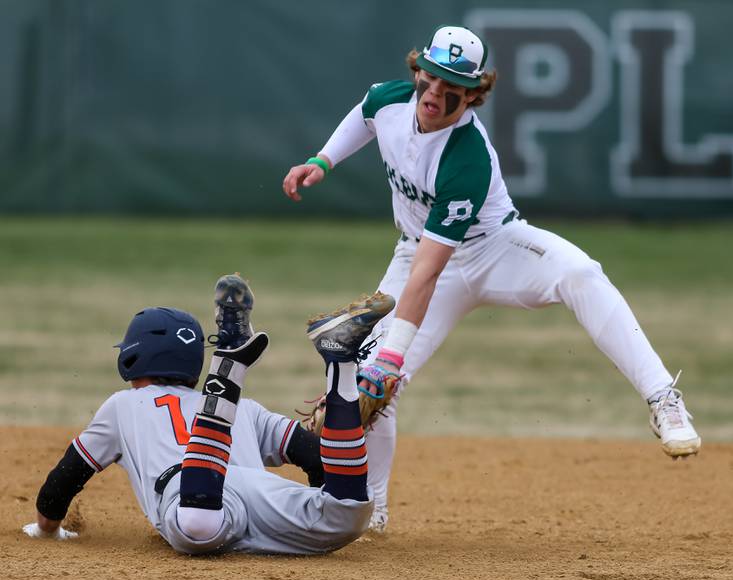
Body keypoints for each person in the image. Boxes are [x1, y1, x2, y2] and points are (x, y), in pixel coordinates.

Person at [282, 25, 701, 533]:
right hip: (415, 253)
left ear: (473, 95)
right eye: (429, 79)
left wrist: (391, 355)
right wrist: (322, 160)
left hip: (496, 250)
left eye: (451, 87)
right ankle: (371, 512)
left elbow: (432, 271)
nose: (435, 93)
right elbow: (365, 117)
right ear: (418, 72)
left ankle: (663, 398)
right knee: (371, 390)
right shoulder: (390, 100)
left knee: (581, 273)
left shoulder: (466, 158)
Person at [22, 273, 395, 555]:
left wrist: (47, 528)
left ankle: (229, 364)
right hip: (256, 490)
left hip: (193, 493)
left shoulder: (123, 405)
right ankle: (341, 362)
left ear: (133, 358)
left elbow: (64, 479)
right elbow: (315, 455)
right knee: (347, 513)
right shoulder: (248, 412)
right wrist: (314, 512)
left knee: (197, 526)